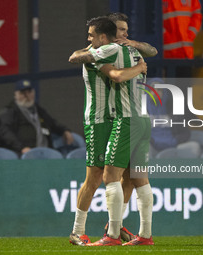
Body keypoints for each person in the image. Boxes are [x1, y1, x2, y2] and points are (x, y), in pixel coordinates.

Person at [69, 16, 154, 246]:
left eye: (127, 30)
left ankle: (114, 228)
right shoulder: (106, 51)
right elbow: (77, 57)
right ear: (109, 34)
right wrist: (138, 68)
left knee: (124, 176)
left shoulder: (126, 50)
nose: (126, 34)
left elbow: (150, 50)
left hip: (122, 119)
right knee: (97, 176)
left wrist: (136, 50)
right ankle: (79, 230)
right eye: (122, 30)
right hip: (99, 120)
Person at [0, 79, 74, 155]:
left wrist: (64, 130)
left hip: (45, 152)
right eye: (22, 93)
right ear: (15, 95)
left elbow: (52, 123)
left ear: (34, 93)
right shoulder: (10, 111)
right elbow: (6, 132)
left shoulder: (38, 109)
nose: (27, 96)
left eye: (29, 92)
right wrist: (21, 147)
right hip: (25, 154)